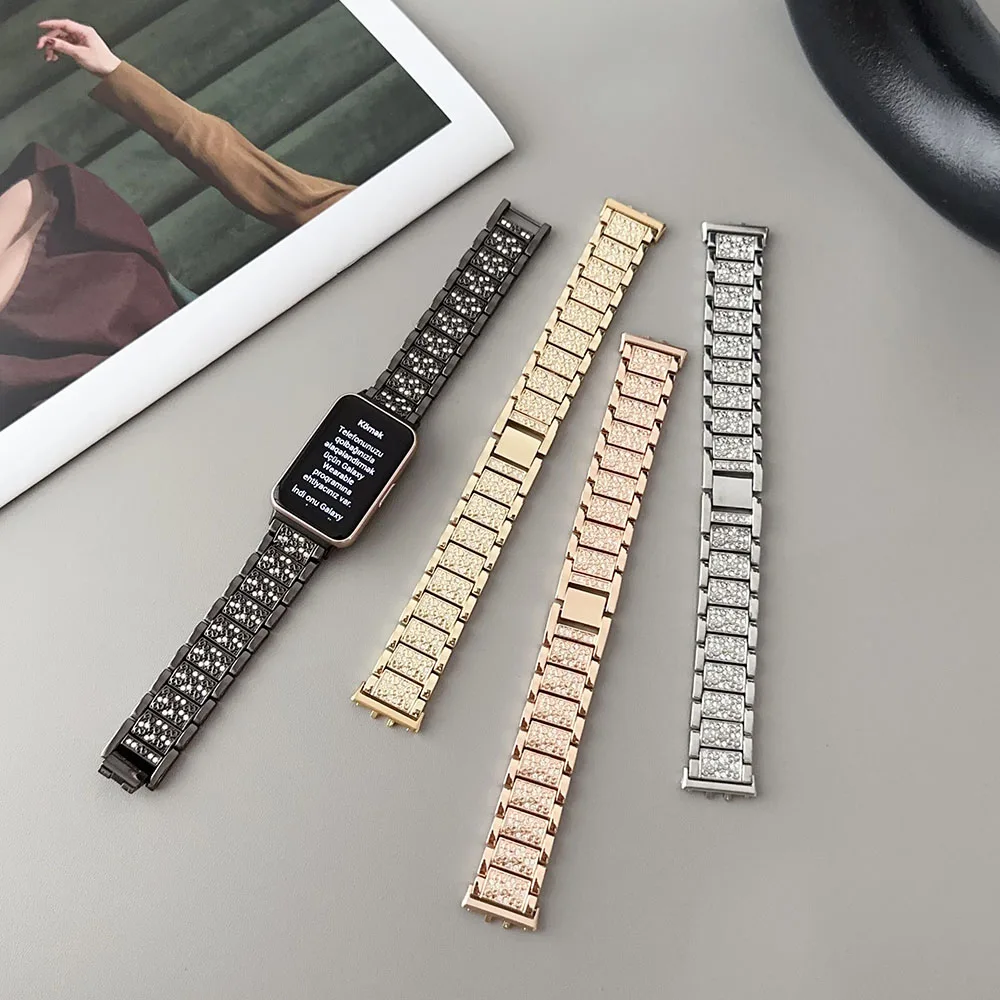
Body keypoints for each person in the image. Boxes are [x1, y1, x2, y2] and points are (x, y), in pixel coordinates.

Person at [0, 19, 356, 431]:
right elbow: (250, 171)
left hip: (204, 396)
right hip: (182, 335)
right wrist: (113, 68)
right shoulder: (372, 214)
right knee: (50, 199)